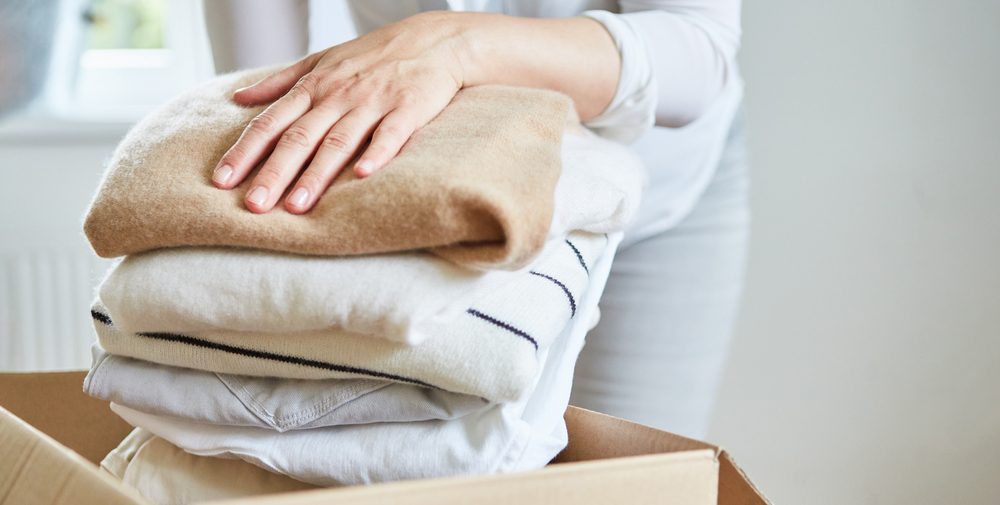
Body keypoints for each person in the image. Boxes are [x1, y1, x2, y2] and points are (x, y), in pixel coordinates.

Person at [206, 0, 748, 440]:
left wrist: (461, 45)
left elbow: (696, 50)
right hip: (424, 194)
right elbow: (262, 71)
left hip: (654, 187)